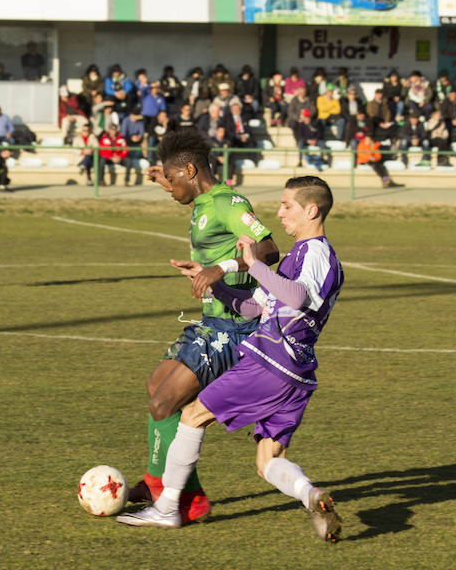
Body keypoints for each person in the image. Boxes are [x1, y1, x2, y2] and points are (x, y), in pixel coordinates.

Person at [117, 175, 344, 544]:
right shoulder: (298, 257)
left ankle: (167, 508)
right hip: (296, 374)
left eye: (288, 205)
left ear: (312, 210)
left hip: (272, 361)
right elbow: (255, 306)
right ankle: (312, 496)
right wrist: (213, 283)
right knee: (268, 461)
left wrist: (253, 263)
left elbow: (297, 299)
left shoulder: (316, 253)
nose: (279, 213)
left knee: (191, 416)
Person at [125, 128, 279, 525]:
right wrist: (166, 179)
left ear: (191, 170)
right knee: (156, 387)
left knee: (164, 403)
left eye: (173, 179)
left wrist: (220, 268)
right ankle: (163, 483)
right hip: (212, 321)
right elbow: (199, 204)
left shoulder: (229, 202)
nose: (169, 188)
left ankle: (173, 496)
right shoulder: (204, 199)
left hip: (233, 328)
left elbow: (268, 249)